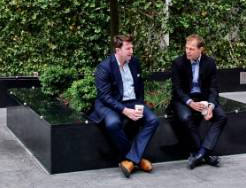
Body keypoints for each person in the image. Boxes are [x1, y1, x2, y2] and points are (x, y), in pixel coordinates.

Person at [89, 34, 159, 178]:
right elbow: (105, 96)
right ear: (117, 50)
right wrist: (125, 110)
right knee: (113, 124)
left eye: (132, 47)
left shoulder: (135, 63)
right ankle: (137, 159)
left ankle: (131, 160)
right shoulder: (104, 67)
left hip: (132, 101)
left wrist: (139, 105)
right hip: (110, 103)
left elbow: (140, 87)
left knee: (153, 120)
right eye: (128, 48)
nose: (131, 51)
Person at [171, 34, 227, 169]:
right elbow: (177, 89)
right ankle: (206, 155)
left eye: (191, 49)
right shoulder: (178, 63)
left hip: (204, 99)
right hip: (184, 99)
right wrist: (190, 102)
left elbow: (214, 88)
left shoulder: (210, 63)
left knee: (222, 117)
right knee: (186, 117)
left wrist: (210, 106)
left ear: (200, 49)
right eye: (186, 48)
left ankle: (200, 153)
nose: (187, 51)